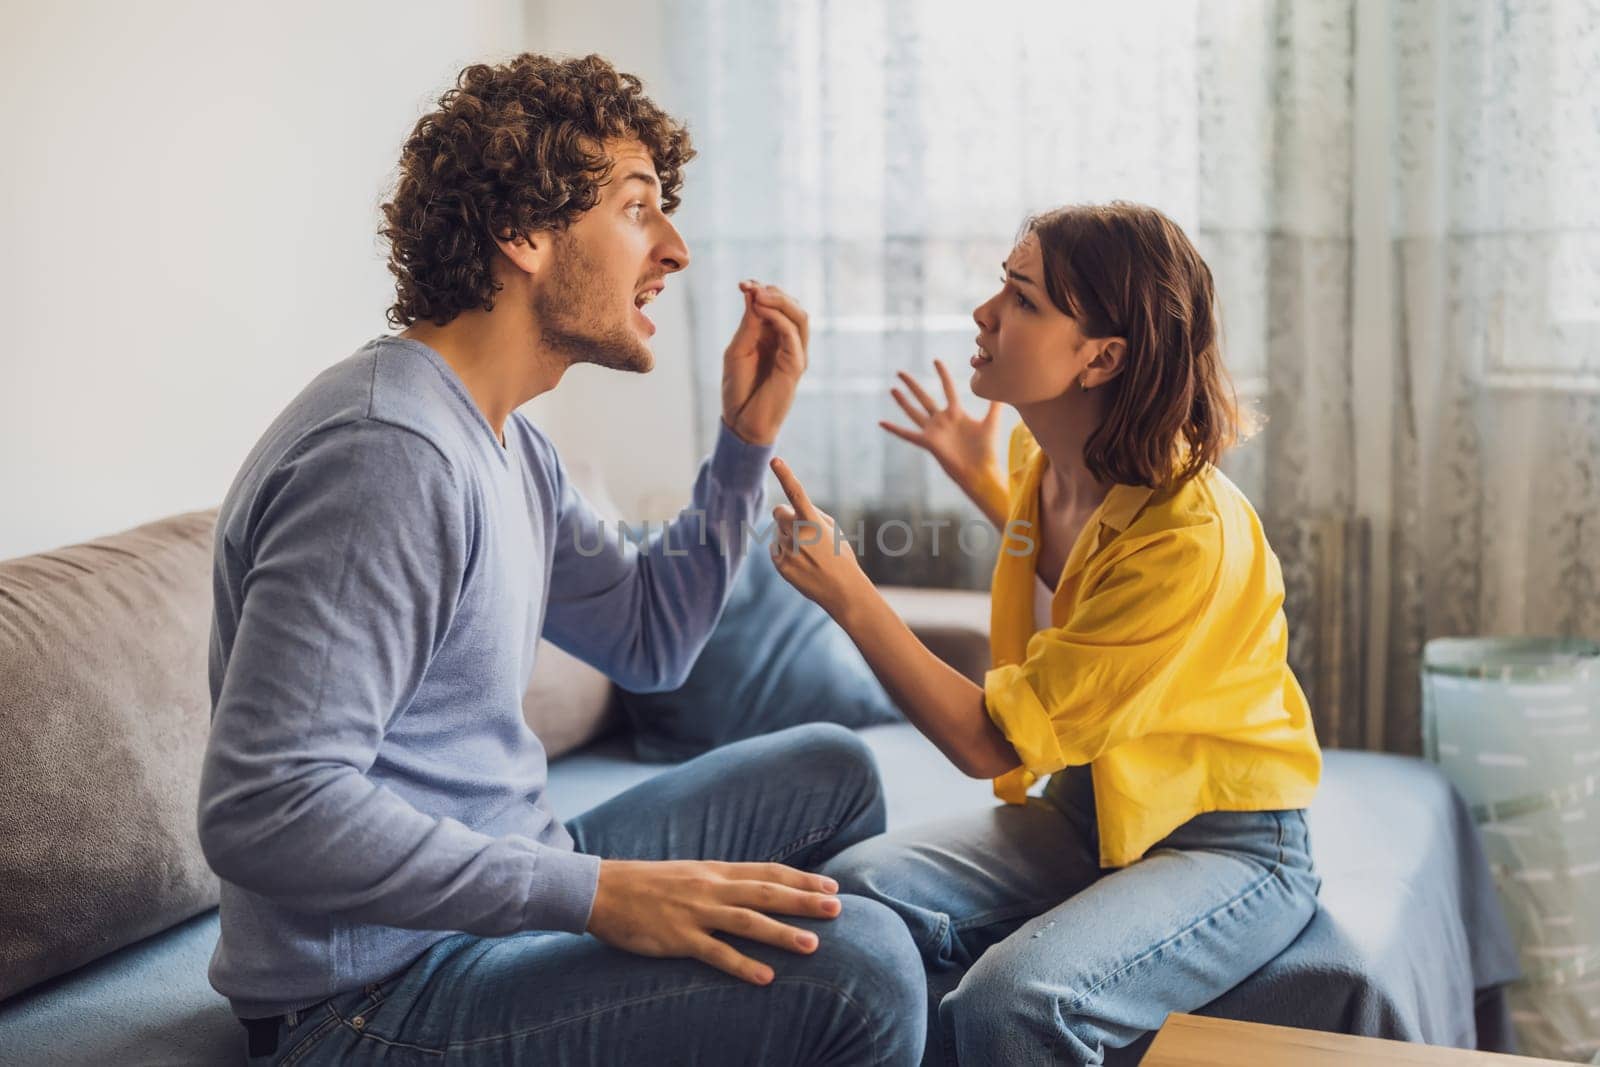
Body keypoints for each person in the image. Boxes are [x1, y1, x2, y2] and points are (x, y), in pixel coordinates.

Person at [197, 53, 924, 1066]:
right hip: (368, 993)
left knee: (832, 769)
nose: (673, 250)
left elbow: (650, 640)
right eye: (637, 209)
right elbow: (264, 810)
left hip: (505, 889)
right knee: (864, 966)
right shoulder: (386, 456)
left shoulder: (503, 437)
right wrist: (595, 896)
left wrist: (742, 445)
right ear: (523, 232)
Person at [764, 202, 1323, 1066]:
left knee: (1011, 1004)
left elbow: (990, 739)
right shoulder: (1046, 460)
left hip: (1227, 840)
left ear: (1101, 357)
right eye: (1002, 286)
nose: (985, 314)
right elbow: (1080, 579)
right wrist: (982, 476)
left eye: (1023, 300)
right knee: (853, 898)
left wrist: (850, 592)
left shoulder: (1188, 537)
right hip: (1088, 810)